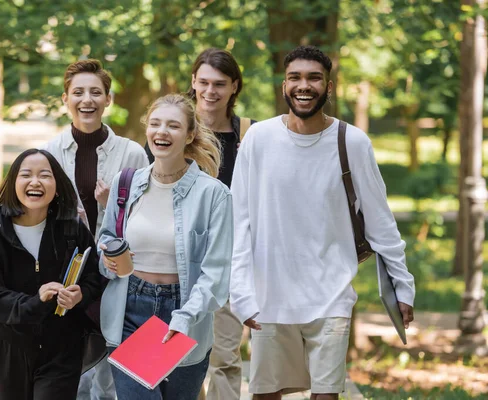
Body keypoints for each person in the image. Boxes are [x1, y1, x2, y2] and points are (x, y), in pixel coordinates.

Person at [229, 45, 416, 400]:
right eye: (295, 77)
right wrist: (241, 291)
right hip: (270, 295)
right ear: (284, 86)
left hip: (331, 296)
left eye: (314, 78)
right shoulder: (259, 139)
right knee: (264, 394)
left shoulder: (353, 143)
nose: (304, 85)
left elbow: (381, 223)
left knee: (327, 395)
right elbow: (240, 220)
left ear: (328, 87)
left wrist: (402, 286)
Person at [99, 93, 233, 400]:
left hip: (186, 315)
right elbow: (106, 238)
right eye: (156, 123)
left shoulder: (214, 195)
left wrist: (185, 317)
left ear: (189, 135)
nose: (162, 132)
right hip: (129, 310)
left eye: (173, 126)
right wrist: (108, 258)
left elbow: (217, 275)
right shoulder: (126, 182)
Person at [146, 48, 254, 399]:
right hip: (174, 264)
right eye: (204, 82)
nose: (211, 91)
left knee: (224, 356)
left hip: (229, 261)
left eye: (220, 84)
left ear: (234, 87)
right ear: (193, 82)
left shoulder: (249, 135)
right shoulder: (169, 130)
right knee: (172, 358)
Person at [42, 58, 148, 400]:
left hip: (116, 274)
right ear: (65, 99)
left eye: (95, 92)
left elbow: (146, 216)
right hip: (69, 275)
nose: (86, 100)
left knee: (113, 371)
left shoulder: (132, 153)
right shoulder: (48, 153)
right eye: (78, 92)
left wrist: (108, 205)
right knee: (73, 372)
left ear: (108, 100)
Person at [0, 148, 102, 400]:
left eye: (45, 175)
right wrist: (36, 301)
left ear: (57, 184)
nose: (35, 182)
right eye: (26, 175)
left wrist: (80, 295)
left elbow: (94, 277)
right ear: (13, 183)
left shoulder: (71, 228)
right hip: (11, 345)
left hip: (63, 345)